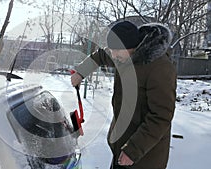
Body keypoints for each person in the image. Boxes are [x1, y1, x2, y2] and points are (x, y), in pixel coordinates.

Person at [71, 20, 177, 169]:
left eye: (117, 51)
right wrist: (81, 72)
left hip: (144, 155)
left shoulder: (160, 68)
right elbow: (101, 55)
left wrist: (132, 151)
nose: (113, 55)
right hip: (121, 145)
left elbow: (161, 116)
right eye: (112, 50)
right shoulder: (123, 54)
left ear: (132, 46)